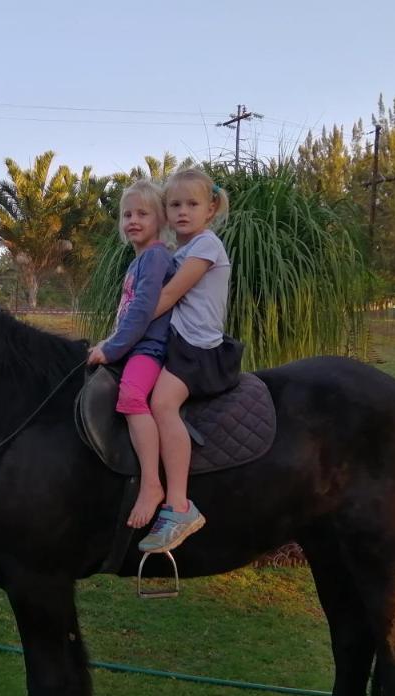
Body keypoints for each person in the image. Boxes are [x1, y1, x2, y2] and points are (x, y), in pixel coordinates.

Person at [138, 169, 243, 553]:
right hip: (178, 344)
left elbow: (165, 299)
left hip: (199, 351)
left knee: (162, 404)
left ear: (210, 209)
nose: (183, 212)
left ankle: (179, 505)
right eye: (175, 205)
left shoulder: (205, 247)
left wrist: (126, 329)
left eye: (192, 204)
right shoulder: (178, 251)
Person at [88, 180, 177, 527]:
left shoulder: (155, 257)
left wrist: (111, 348)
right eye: (127, 214)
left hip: (148, 349)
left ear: (160, 220)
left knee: (131, 397)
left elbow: (141, 313)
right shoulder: (138, 261)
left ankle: (152, 485)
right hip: (133, 346)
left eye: (143, 213)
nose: (133, 220)